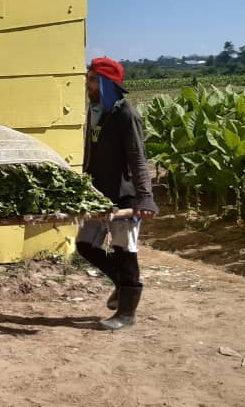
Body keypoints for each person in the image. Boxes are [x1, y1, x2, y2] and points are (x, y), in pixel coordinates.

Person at [78, 57, 158, 331]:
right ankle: (120, 284)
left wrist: (145, 198)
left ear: (105, 83)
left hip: (125, 196)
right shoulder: (96, 110)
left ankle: (127, 313)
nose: (86, 84)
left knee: (125, 252)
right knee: (85, 245)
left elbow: (138, 158)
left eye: (91, 79)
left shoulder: (127, 115)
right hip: (98, 194)